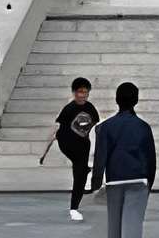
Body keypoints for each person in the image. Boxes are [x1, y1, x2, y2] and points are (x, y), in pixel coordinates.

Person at [87, 83, 158, 235]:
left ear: (117, 100)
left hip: (115, 181)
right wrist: (149, 183)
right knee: (133, 226)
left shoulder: (105, 127)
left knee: (114, 227)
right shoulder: (143, 127)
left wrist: (96, 183)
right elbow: (150, 158)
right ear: (136, 100)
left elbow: (100, 157)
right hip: (138, 180)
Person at [51, 77, 100, 222]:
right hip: (67, 144)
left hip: (83, 146)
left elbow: (95, 123)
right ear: (74, 93)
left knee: (80, 174)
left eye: (86, 92)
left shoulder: (90, 108)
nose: (83, 95)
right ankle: (84, 170)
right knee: (80, 170)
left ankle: (74, 207)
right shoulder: (69, 109)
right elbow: (58, 127)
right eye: (80, 92)